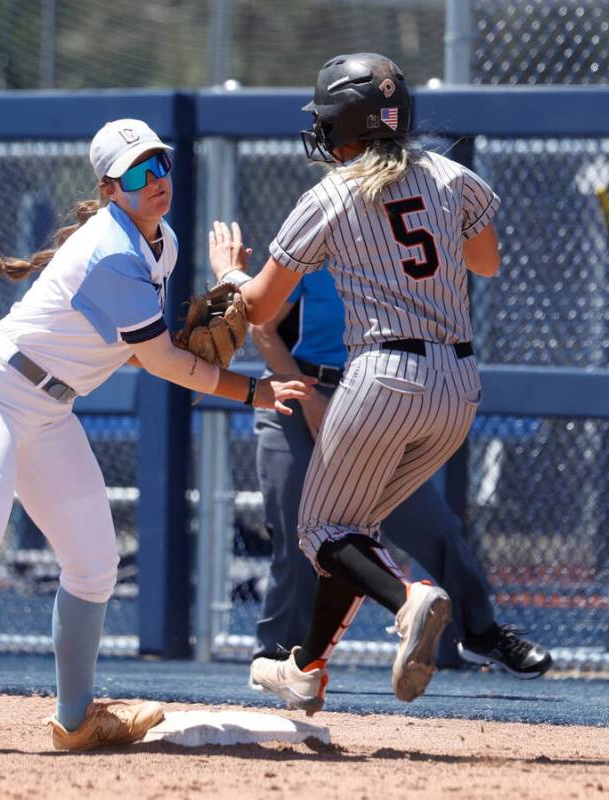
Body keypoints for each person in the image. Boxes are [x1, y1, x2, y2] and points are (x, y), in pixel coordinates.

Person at [0, 118, 314, 751]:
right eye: (138, 171)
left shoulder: (163, 245)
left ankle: (75, 721)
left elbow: (144, 347)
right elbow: (158, 360)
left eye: (161, 164)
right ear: (109, 188)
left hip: (50, 411)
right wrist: (248, 388)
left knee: (94, 564)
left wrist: (226, 294)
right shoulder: (111, 251)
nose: (156, 178)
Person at [208, 52, 506, 711]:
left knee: (321, 533)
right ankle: (307, 669)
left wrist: (228, 272)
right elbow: (484, 261)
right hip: (457, 387)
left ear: (344, 125)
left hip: (382, 378)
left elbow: (256, 310)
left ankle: (408, 601)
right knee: (353, 526)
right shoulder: (450, 174)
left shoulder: (331, 194)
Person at [210, 255, 552, 680]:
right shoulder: (314, 239)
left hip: (370, 405)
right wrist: (311, 400)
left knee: (436, 529)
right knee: (299, 536)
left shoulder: (403, 252)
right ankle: (281, 661)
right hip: (296, 395)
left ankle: (481, 633)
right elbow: (262, 327)